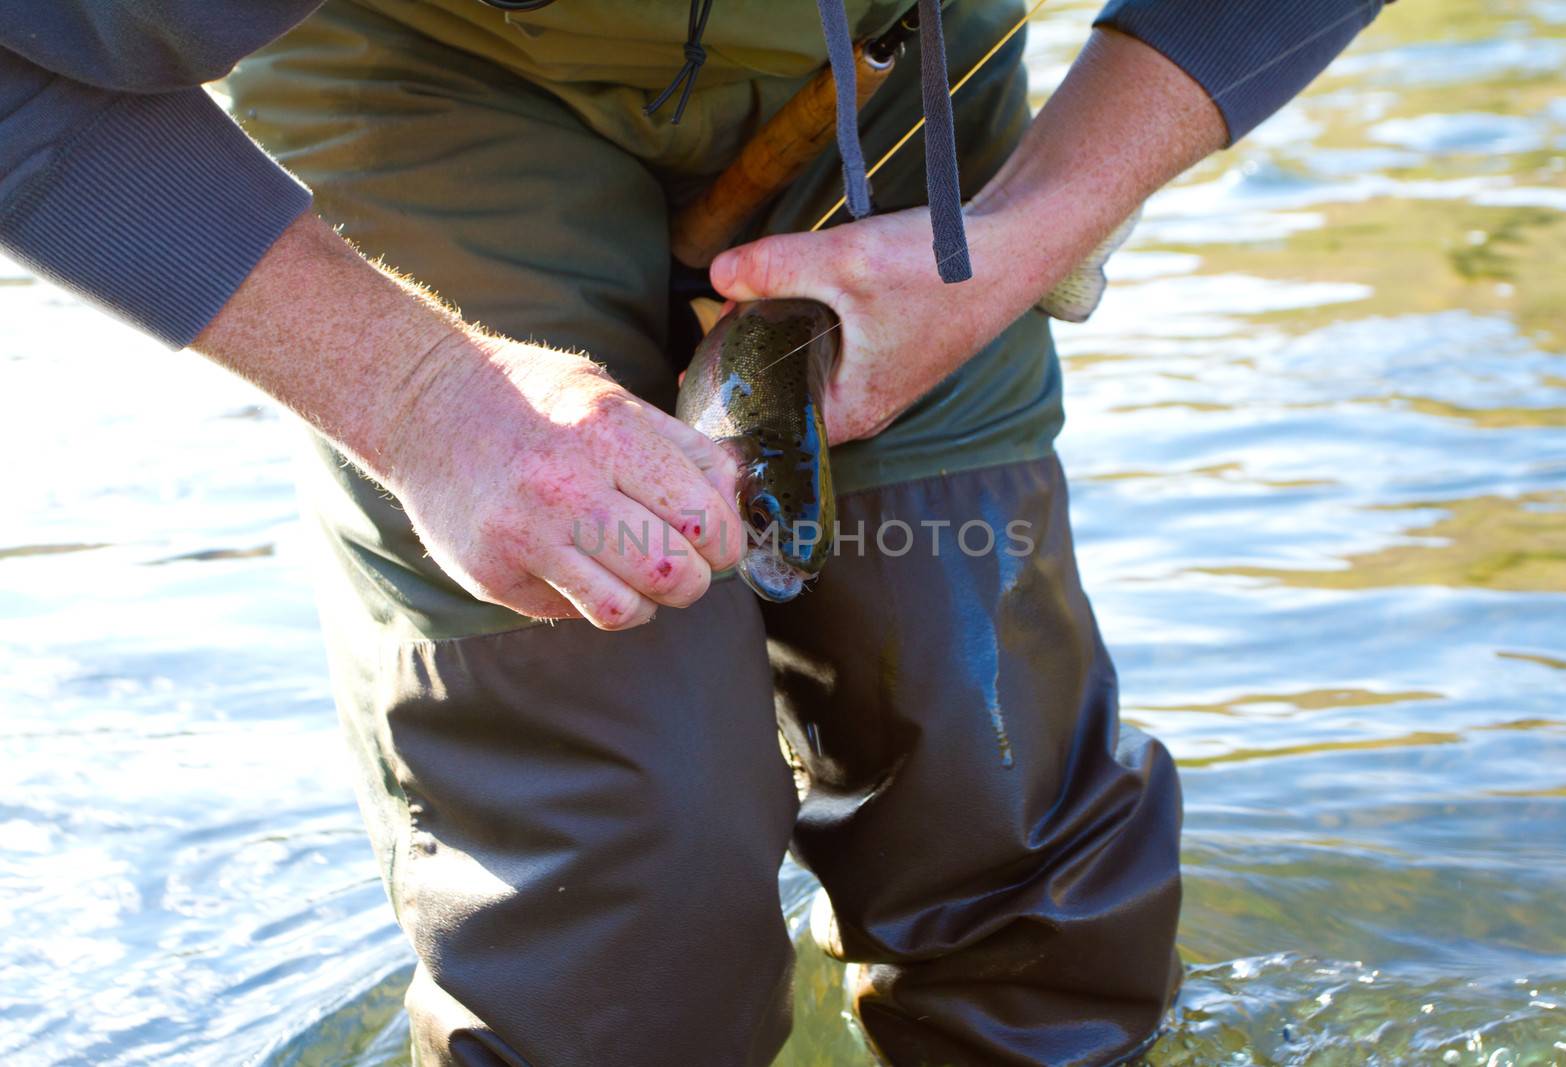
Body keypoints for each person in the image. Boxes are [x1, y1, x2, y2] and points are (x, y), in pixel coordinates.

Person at [0, 1, 1391, 1062]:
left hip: (886, 50)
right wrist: (427, 399)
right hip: (425, 63)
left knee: (989, 771)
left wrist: (1034, 228)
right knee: (618, 885)